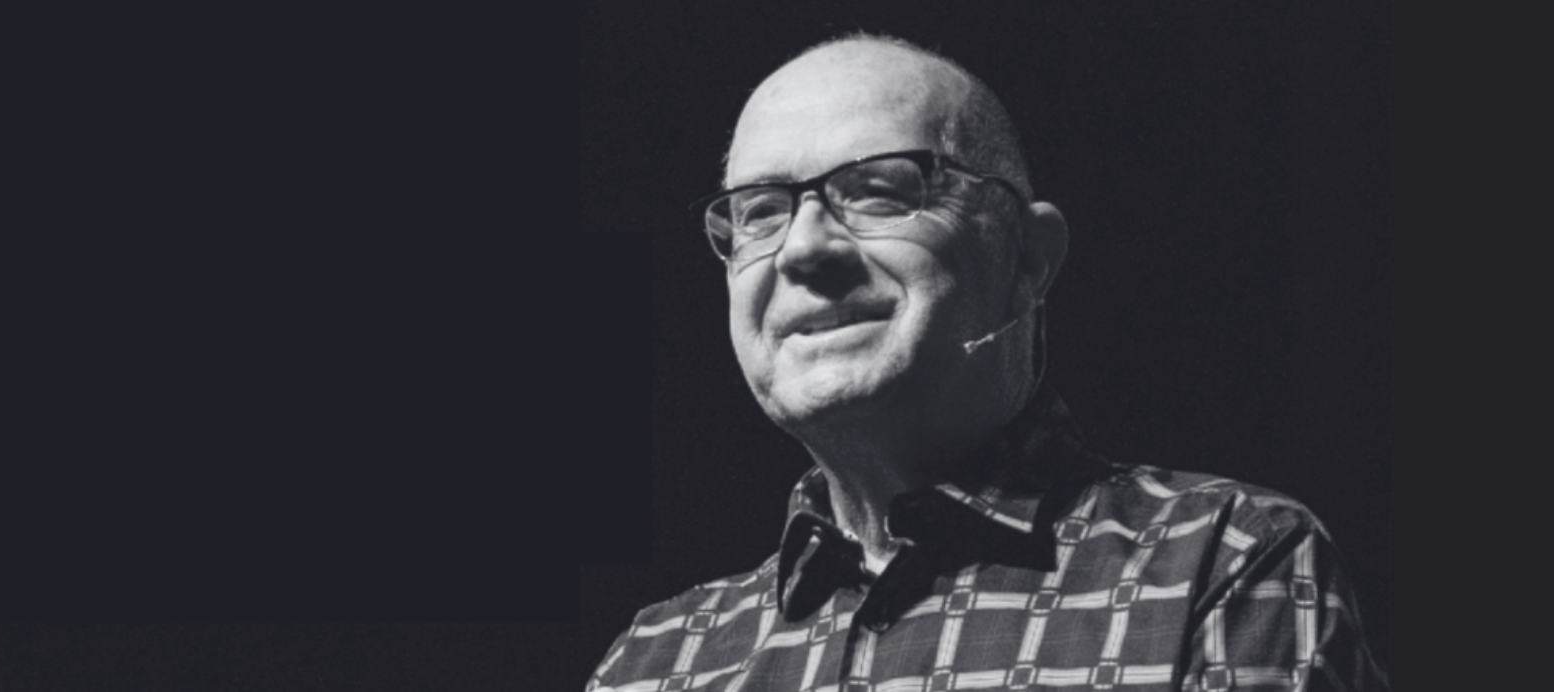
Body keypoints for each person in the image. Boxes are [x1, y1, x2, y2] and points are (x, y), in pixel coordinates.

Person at [588, 34, 1387, 692]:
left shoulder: (1225, 564)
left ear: (1027, 259)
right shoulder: (657, 663)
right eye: (760, 212)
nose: (802, 249)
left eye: (878, 191)